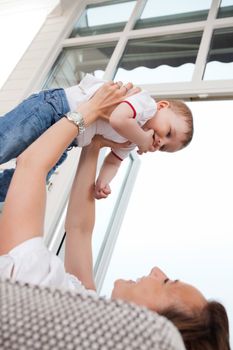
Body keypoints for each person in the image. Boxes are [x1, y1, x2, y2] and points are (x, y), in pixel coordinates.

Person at [0, 84, 230, 350]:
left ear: (151, 328)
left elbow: (31, 165)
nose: (157, 270)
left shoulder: (46, 294)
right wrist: (95, 145)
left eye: (167, 283)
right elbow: (79, 229)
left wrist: (89, 110)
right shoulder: (85, 316)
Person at [0, 74, 193, 202]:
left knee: (23, 187)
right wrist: (143, 138)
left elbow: (114, 162)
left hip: (66, 140)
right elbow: (119, 119)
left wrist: (103, 181)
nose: (161, 142)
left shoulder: (131, 141)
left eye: (164, 147)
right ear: (162, 106)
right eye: (168, 133)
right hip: (54, 109)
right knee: (5, 143)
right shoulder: (146, 105)